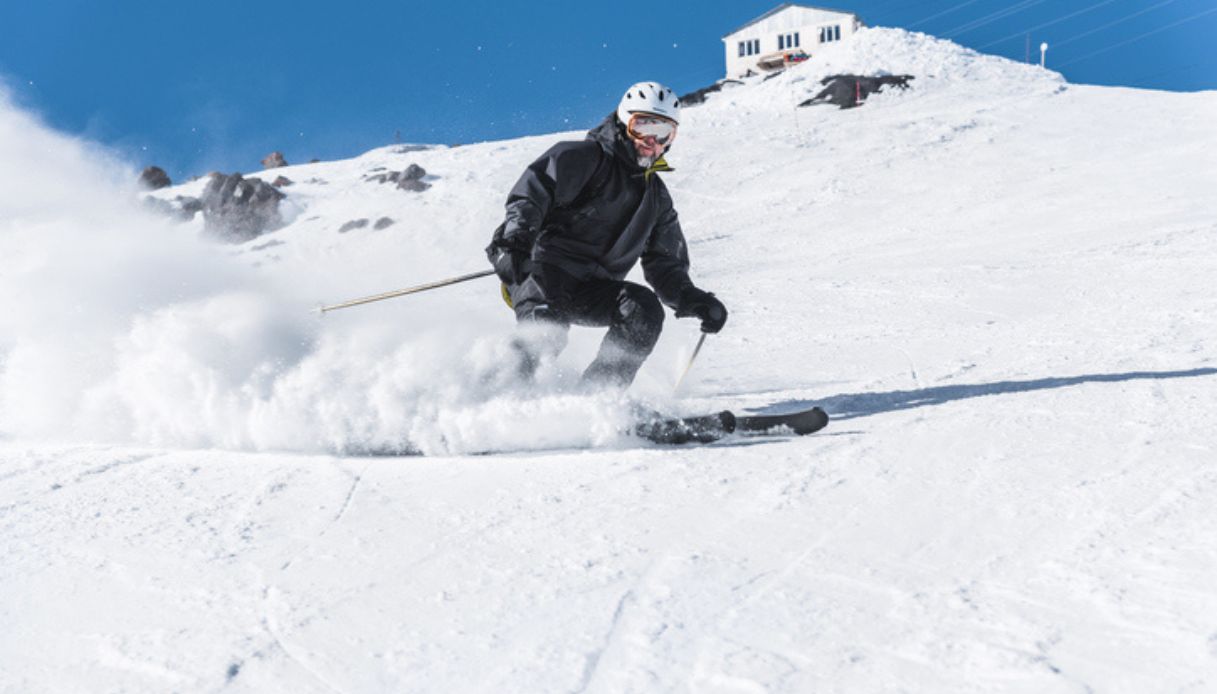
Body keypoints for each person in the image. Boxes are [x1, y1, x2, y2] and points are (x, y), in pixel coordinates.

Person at [486, 81, 727, 388]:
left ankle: (598, 398)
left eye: (664, 133)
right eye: (644, 126)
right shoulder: (583, 158)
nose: (651, 141)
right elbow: (532, 195)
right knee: (547, 331)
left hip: (593, 289)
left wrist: (691, 298)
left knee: (643, 309)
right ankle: (493, 395)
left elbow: (665, 263)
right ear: (625, 123)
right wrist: (514, 241)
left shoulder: (656, 199)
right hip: (539, 271)